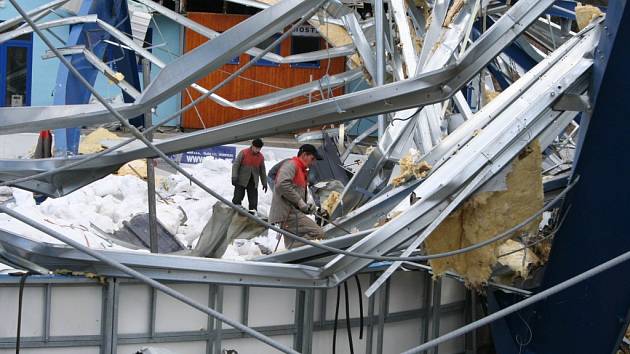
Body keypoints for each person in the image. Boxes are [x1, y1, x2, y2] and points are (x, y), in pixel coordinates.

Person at [269, 144, 325, 249]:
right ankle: (292, 250)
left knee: (292, 246)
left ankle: (290, 255)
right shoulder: (291, 165)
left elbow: (293, 195)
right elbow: (282, 184)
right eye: (312, 159)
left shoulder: (301, 170)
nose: (313, 163)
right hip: (287, 214)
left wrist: (307, 207)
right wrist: (300, 202)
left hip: (291, 213)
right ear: (304, 155)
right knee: (318, 233)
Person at [232, 138, 267, 211]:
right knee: (237, 200)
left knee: (253, 203)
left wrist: (264, 183)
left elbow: (262, 171)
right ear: (252, 146)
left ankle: (252, 217)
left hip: (253, 182)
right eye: (256, 148)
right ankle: (234, 214)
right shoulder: (244, 153)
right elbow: (236, 165)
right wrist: (234, 176)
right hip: (241, 181)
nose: (257, 150)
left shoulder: (260, 157)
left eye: (259, 149)